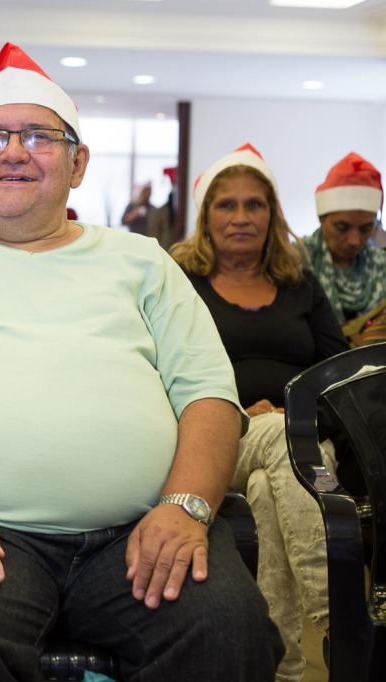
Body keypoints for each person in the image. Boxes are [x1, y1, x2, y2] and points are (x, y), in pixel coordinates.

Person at [0, 42, 283, 681]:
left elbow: (208, 397)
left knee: (228, 633)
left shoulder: (144, 262)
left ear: (78, 162)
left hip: (139, 533)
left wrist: (185, 504)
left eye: (38, 136)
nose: (12, 152)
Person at [170, 143, 349, 682]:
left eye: (255, 205)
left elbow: (338, 370)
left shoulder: (300, 284)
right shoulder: (179, 282)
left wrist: (295, 413)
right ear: (206, 217)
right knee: (277, 434)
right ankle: (341, 612)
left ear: (273, 215)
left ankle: (285, 667)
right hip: (209, 440)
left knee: (274, 494)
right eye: (227, 206)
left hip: (297, 440)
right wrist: (233, 411)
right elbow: (151, 370)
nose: (242, 217)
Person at [299, 152, 386, 345]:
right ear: (321, 218)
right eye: (342, 228)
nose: (355, 240)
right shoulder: (294, 261)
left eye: (365, 229)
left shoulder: (382, 267)